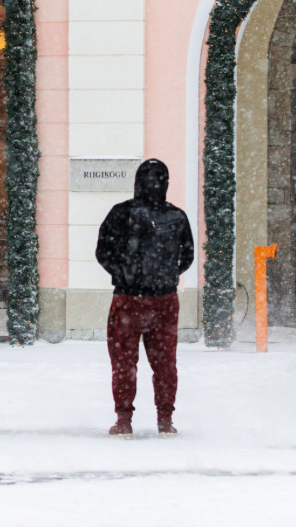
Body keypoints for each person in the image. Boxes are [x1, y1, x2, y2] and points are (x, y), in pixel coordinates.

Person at [95, 159, 194, 438]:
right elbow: (187, 257)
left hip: (128, 299)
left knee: (124, 362)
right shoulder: (177, 217)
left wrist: (123, 274)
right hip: (165, 300)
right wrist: (166, 276)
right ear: (166, 183)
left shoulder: (121, 213)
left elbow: (103, 251)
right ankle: (165, 421)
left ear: (137, 182)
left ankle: (124, 421)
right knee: (165, 362)